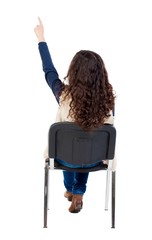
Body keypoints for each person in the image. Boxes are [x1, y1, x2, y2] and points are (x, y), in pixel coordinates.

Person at [34, 17, 115, 213]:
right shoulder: (108, 99)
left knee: (69, 150)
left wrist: (41, 38)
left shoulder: (63, 95)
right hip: (96, 159)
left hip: (64, 157)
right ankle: (78, 192)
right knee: (86, 145)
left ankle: (70, 189)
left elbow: (49, 71)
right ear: (101, 75)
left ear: (74, 72)